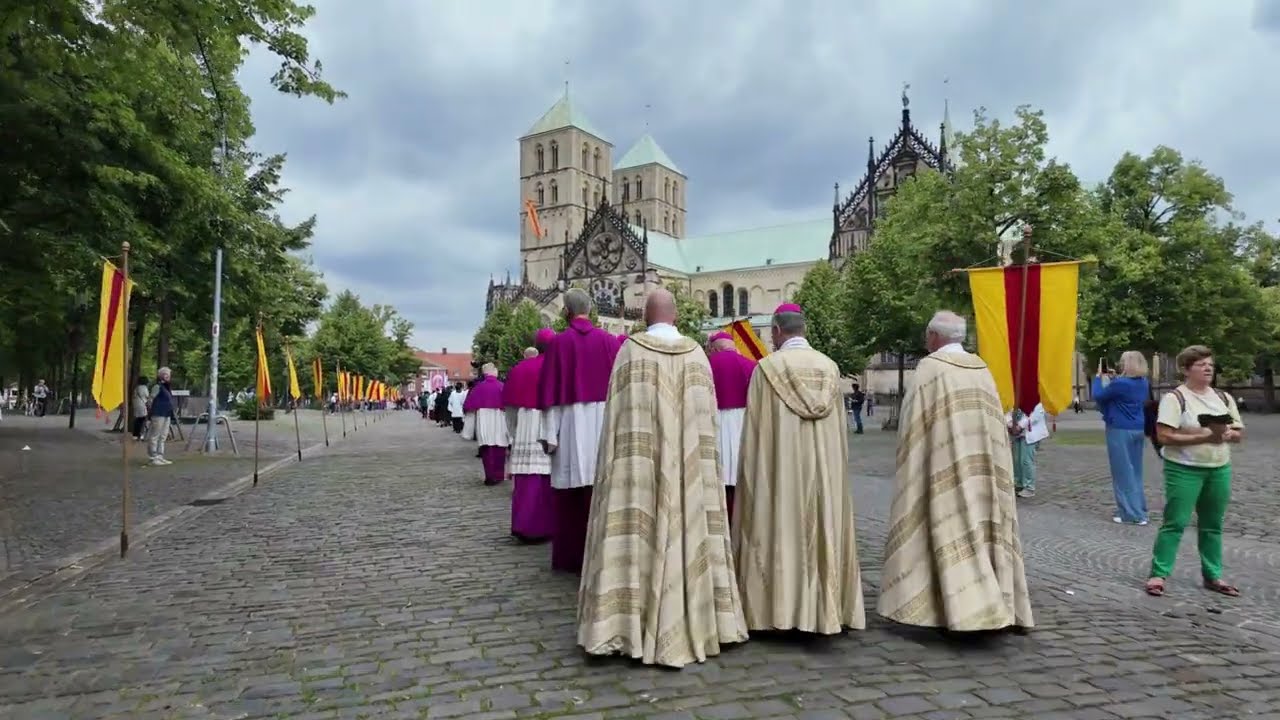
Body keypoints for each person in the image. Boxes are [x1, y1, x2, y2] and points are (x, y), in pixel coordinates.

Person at [578, 289, 747, 668]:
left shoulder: (630, 352)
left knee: (636, 530)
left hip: (639, 472)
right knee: (690, 527)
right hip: (688, 472)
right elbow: (707, 425)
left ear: (644, 316)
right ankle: (700, 619)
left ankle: (625, 623)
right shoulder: (698, 355)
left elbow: (616, 422)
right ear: (674, 317)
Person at [878, 311, 1033, 633]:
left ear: (934, 337)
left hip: (941, 468)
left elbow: (912, 428)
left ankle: (948, 608)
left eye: (927, 335)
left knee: (944, 531)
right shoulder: (982, 370)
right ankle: (993, 601)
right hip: (982, 475)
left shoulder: (930, 369)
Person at [733, 302, 864, 634]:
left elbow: (756, 435)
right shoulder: (830, 369)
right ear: (803, 330)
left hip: (782, 474)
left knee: (781, 530)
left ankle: (777, 610)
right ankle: (829, 606)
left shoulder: (765, 370)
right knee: (822, 529)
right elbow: (839, 434)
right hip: (824, 475)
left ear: (776, 331)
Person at [1145, 345, 1244, 599]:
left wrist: (1227, 434)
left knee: (1212, 525)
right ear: (1187, 369)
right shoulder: (1175, 398)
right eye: (1201, 364)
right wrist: (1204, 437)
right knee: (1175, 522)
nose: (1208, 368)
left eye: (1210, 364)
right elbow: (1164, 436)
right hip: (1184, 469)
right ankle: (1158, 574)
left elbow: (1238, 433)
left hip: (1218, 468)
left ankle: (1213, 575)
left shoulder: (1223, 398)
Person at [538, 288, 619, 574]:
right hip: (604, 424)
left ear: (566, 311)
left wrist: (549, 435)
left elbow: (549, 393)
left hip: (569, 424)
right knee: (602, 489)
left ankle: (572, 556)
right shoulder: (610, 342)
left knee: (570, 494)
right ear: (591, 310)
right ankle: (603, 555)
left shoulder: (559, 344)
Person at [504, 333, 557, 542]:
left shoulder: (520, 369)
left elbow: (509, 407)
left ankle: (522, 524)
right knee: (546, 479)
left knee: (526, 479)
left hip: (525, 422)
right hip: (548, 422)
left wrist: (514, 432)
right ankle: (544, 526)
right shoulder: (557, 368)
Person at [1092, 351, 1151, 525]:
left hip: (1120, 428)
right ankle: (1139, 508)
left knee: (1122, 472)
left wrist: (1098, 377)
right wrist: (1113, 379)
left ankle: (1131, 514)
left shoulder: (1120, 384)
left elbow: (1099, 394)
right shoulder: (1143, 383)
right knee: (1135, 471)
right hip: (1138, 428)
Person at [706, 330, 755, 523]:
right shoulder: (752, 366)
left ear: (715, 348)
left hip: (713, 425)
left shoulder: (705, 365)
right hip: (743, 425)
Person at [460, 364, 509, 485]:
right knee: (500, 447)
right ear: (493, 372)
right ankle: (499, 475)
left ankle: (489, 476)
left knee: (486, 448)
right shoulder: (502, 386)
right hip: (500, 418)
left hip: (484, 419)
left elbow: (468, 406)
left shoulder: (478, 387)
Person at [1006, 402, 1049, 498]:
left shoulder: (1036, 398)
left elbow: (1035, 415)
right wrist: (1010, 424)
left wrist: (1019, 426)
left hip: (1030, 434)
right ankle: (1019, 484)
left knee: (1026, 461)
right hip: (1017, 435)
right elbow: (1007, 411)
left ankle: (1029, 487)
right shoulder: (1013, 396)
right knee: (1016, 460)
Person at [147, 367, 175, 466]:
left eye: (169, 375)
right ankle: (153, 457)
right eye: (166, 374)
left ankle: (160, 456)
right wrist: (151, 411)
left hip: (166, 414)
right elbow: (150, 399)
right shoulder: (157, 386)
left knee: (163, 435)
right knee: (155, 435)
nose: (168, 376)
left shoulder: (167, 387)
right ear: (161, 375)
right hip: (158, 414)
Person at [132, 376, 150, 440]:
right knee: (142, 420)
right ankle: (141, 434)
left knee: (137, 420)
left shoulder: (136, 388)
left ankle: (135, 435)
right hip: (142, 405)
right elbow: (147, 396)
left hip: (136, 404)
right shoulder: (144, 388)